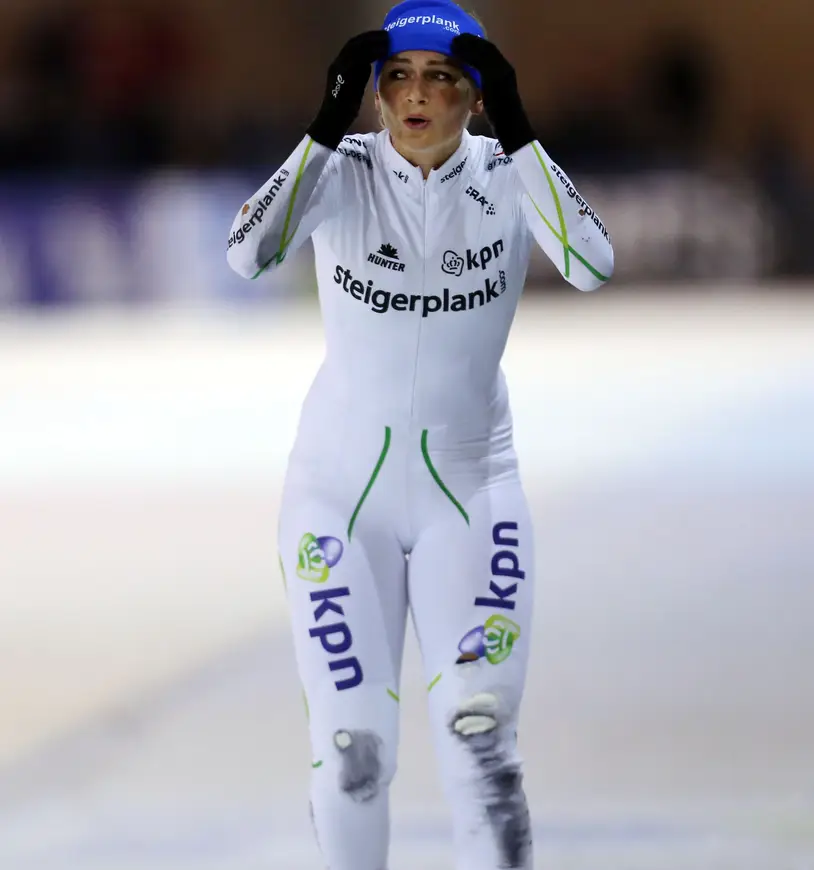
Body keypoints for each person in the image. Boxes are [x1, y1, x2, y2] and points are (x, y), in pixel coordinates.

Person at [227, 2, 613, 868]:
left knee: (482, 742)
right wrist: (321, 130)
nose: (417, 95)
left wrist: (521, 132)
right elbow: (247, 254)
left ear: (475, 96)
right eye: (398, 76)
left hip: (471, 494)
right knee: (354, 751)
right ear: (372, 94)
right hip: (338, 497)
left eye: (442, 78)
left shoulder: (508, 173)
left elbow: (592, 264)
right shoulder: (340, 171)